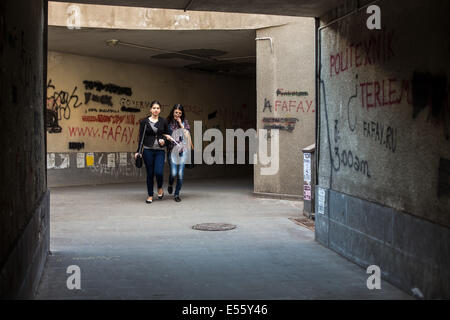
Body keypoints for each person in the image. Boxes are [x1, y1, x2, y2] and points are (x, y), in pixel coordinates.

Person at [135, 101, 169, 204]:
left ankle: (159, 187)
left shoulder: (163, 121)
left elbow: (167, 135)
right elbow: (141, 137)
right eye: (154, 108)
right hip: (148, 150)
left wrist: (164, 140)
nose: (156, 110)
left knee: (158, 172)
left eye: (158, 108)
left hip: (160, 150)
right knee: (150, 173)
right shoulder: (144, 122)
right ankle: (150, 195)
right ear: (150, 109)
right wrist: (138, 151)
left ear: (160, 110)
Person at [164, 104, 191, 202]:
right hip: (172, 151)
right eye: (176, 112)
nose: (177, 115)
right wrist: (166, 136)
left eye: (180, 113)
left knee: (180, 173)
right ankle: (170, 184)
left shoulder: (184, 122)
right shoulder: (167, 122)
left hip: (182, 151)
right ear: (173, 112)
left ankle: (176, 194)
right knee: (173, 172)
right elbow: (161, 132)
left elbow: (187, 135)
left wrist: (181, 124)